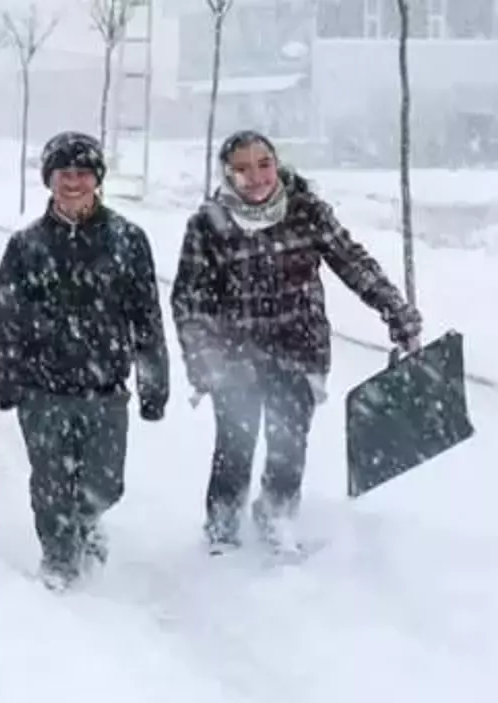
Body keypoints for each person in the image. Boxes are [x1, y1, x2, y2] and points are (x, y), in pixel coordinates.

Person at [170, 130, 421, 555]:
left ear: (277, 163)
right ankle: (222, 533)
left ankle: (277, 520)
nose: (256, 176)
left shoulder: (305, 211)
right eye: (242, 169)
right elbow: (189, 302)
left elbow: (353, 262)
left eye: (264, 164)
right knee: (234, 447)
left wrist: (397, 311)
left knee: (288, 447)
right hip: (235, 360)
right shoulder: (208, 225)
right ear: (227, 175)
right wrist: (204, 359)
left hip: (298, 351)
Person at [0, 131, 169, 592]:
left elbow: (146, 316)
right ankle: (58, 557)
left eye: (82, 173)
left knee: (106, 484)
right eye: (63, 173)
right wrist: (6, 377)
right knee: (50, 483)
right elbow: (0, 316)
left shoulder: (128, 239)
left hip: (105, 388)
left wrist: (154, 381)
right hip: (42, 388)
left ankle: (86, 522)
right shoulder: (27, 245)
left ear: (97, 179)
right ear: (49, 180)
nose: (73, 182)